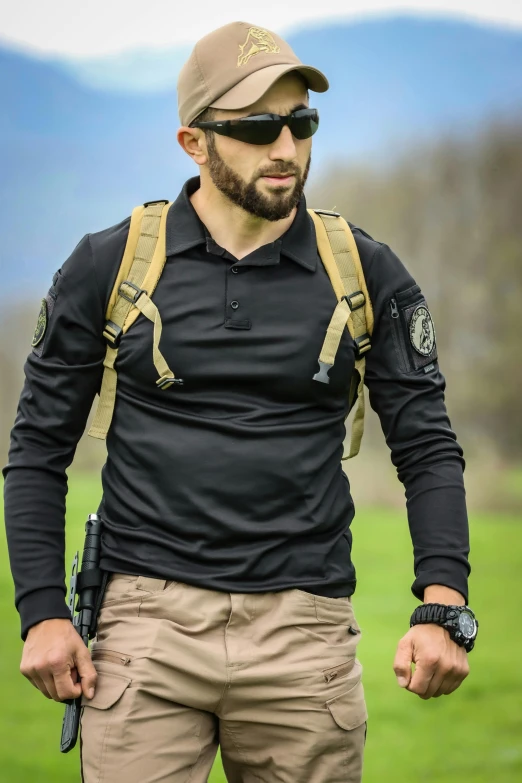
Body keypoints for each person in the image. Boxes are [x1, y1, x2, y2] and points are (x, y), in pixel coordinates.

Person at [3, 20, 477, 783]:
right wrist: (43, 613)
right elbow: (35, 452)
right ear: (194, 143)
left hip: (306, 634)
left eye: (301, 123)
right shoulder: (109, 265)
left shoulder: (366, 272)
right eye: (258, 127)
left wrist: (444, 603)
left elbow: (426, 446)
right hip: (144, 632)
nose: (285, 148)